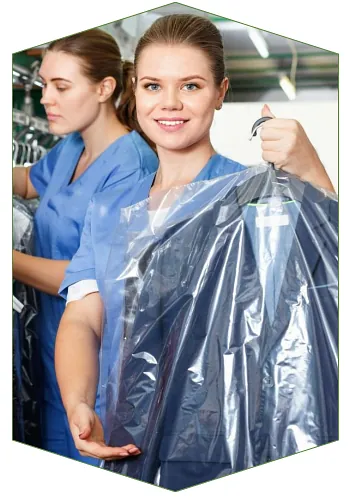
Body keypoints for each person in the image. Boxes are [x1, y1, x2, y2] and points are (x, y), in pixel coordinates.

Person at [55, 14, 336, 463]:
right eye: (152, 86)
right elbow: (84, 316)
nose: (170, 103)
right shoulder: (110, 205)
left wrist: (315, 179)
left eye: (191, 86)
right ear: (134, 89)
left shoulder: (253, 199)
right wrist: (79, 401)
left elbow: (319, 293)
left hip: (217, 445)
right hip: (115, 434)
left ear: (220, 93)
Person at [12, 28, 158, 463]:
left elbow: (90, 281)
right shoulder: (72, 146)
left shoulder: (133, 168)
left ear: (104, 88)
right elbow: (28, 180)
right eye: (43, 86)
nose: (45, 100)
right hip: (47, 350)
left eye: (61, 87)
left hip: (96, 366)